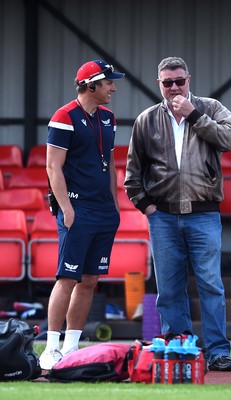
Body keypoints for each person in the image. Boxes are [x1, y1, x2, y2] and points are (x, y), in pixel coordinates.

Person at [124, 56, 231, 372]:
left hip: (204, 213)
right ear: (158, 84)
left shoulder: (211, 108)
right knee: (170, 288)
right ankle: (180, 348)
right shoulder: (146, 120)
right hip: (162, 216)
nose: (174, 87)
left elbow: (230, 140)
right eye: (167, 83)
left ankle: (218, 352)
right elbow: (132, 173)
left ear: (189, 79)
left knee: (211, 284)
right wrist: (146, 206)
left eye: (179, 81)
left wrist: (195, 115)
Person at [39, 60, 125, 370]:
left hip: (103, 211)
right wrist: (67, 209)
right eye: (108, 83)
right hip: (78, 209)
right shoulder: (64, 117)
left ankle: (72, 347)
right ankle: (50, 348)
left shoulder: (109, 118)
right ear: (91, 85)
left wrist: (115, 205)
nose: (113, 88)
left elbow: (111, 164)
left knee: (90, 280)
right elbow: (53, 166)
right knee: (67, 277)